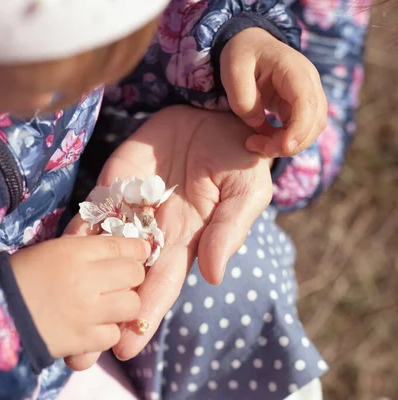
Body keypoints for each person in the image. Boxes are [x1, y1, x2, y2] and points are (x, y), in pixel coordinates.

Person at [0, 1, 330, 400]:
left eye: (77, 69)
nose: (36, 103)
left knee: (237, 278)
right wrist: (1, 321)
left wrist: (228, 46)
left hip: (86, 265)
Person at [64, 0, 370, 399]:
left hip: (198, 177)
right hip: (65, 179)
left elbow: (329, 120)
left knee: (236, 292)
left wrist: (268, 137)